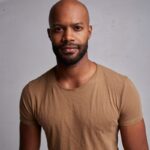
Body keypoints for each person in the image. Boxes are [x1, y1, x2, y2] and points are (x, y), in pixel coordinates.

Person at [19, 0, 149, 149]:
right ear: (49, 34)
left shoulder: (122, 88)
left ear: (89, 31)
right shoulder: (32, 93)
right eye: (59, 29)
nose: (68, 37)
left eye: (77, 28)